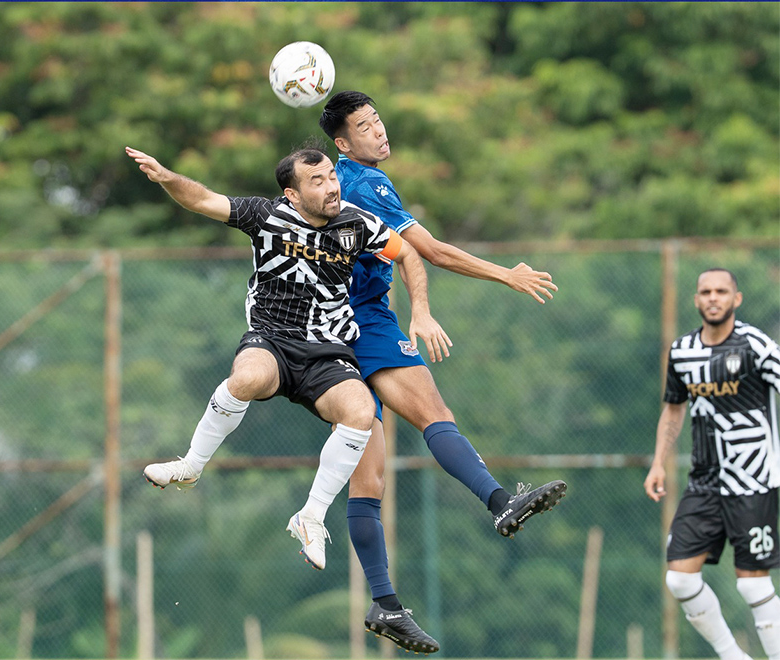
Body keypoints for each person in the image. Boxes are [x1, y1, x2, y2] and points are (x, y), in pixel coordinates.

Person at [126, 145, 451, 577]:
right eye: (317, 182)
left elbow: (407, 253)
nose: (332, 187)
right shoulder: (265, 216)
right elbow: (203, 199)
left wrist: (422, 310)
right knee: (247, 378)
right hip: (273, 339)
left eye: (332, 178)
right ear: (292, 194)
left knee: (359, 413)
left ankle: (310, 516)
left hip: (329, 350)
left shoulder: (358, 223)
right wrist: (168, 177)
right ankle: (190, 466)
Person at [318, 90, 567, 653]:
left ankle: (385, 605)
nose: (378, 131)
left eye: (379, 119)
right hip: (366, 322)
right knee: (434, 414)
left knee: (369, 475)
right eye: (364, 125)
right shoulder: (366, 184)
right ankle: (500, 502)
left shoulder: (332, 180)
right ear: (343, 143)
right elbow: (428, 250)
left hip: (327, 331)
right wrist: (505, 274)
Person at [644, 268, 780, 660]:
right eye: (706, 291)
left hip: (754, 480)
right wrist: (657, 464)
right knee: (680, 580)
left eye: (722, 291)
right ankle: (732, 655)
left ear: (736, 299)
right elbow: (673, 410)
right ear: (696, 300)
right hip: (704, 482)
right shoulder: (683, 351)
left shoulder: (756, 345)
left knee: (753, 586)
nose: (713, 297)